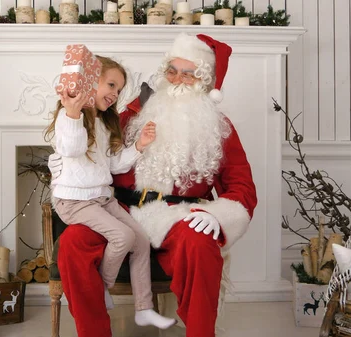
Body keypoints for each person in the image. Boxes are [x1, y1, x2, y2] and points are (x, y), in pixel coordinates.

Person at [48, 34, 258, 337]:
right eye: (172, 70)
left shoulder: (219, 128)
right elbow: (87, 150)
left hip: (179, 217)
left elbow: (241, 187)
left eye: (188, 73)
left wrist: (217, 216)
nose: (177, 79)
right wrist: (59, 166)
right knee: (72, 244)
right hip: (118, 209)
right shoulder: (128, 116)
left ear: (204, 81)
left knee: (200, 242)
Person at [45, 55, 177, 331]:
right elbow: (71, 148)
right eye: (111, 85)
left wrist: (140, 146)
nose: (115, 93)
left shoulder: (105, 122)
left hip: (101, 197)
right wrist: (71, 113)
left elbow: (113, 164)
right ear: (91, 81)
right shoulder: (70, 118)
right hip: (75, 201)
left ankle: (144, 308)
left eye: (119, 89)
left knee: (140, 239)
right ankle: (102, 288)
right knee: (124, 236)